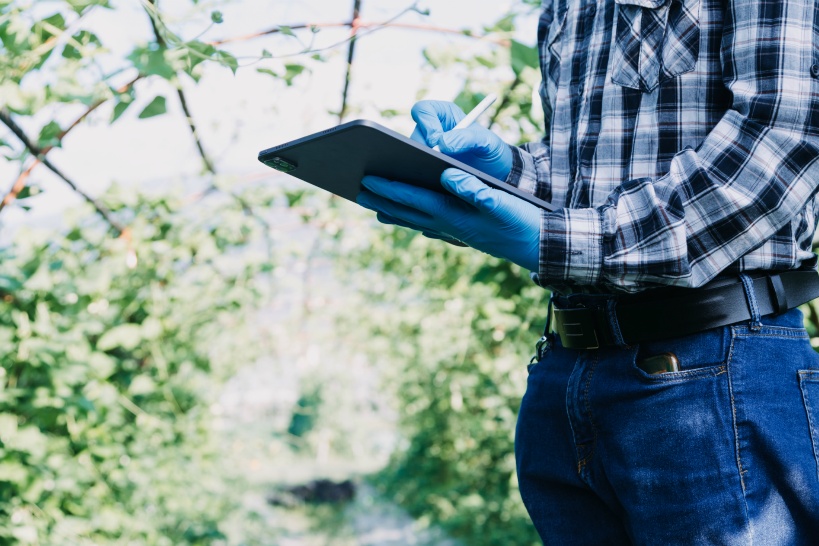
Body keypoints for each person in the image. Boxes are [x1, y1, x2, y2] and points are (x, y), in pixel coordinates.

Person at [356, 0, 819, 543]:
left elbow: (782, 139)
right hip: (566, 370)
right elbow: (586, 184)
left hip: (716, 366)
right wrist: (508, 170)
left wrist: (548, 241)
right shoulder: (566, 8)